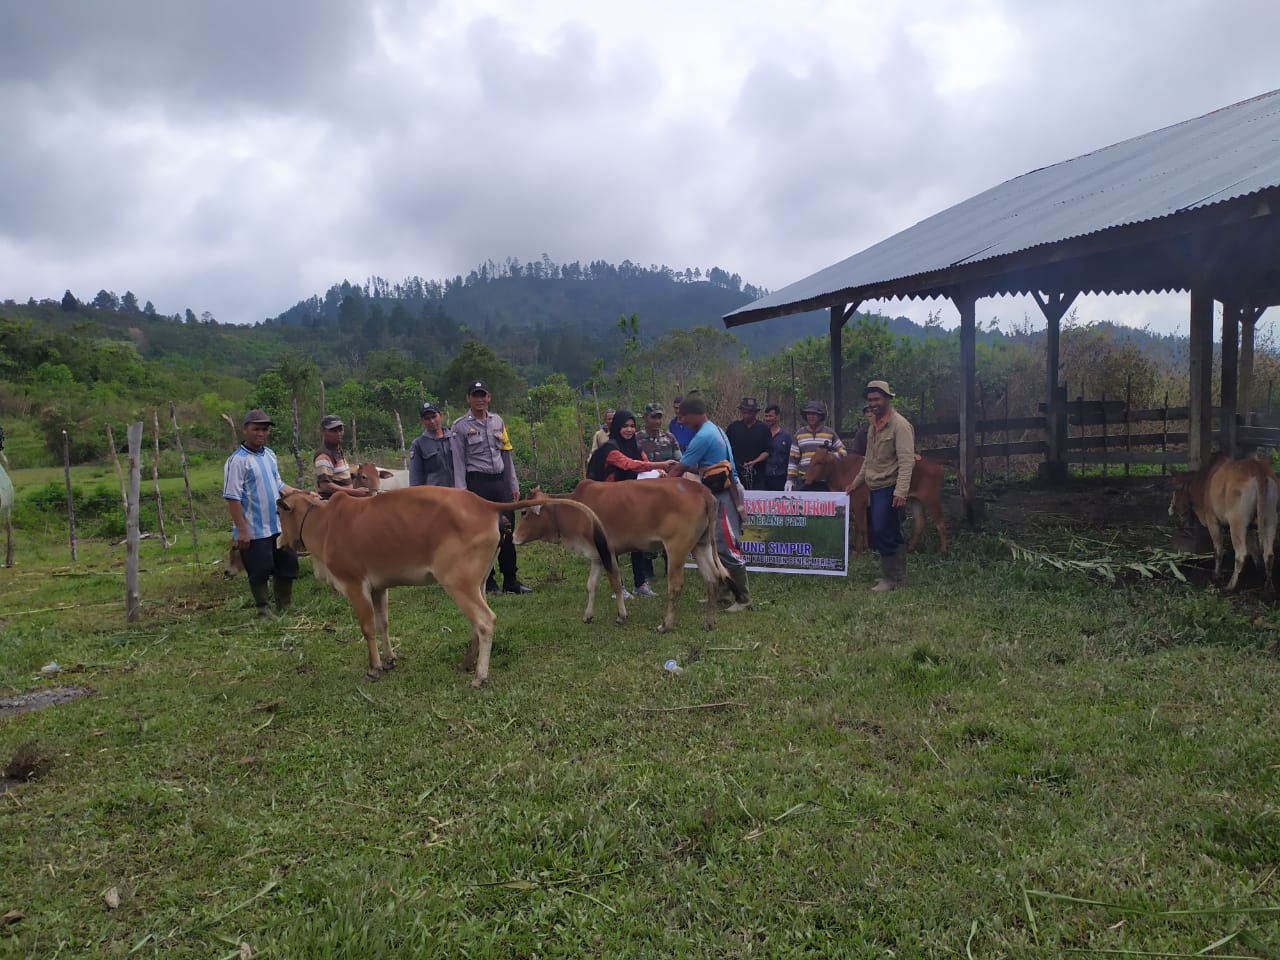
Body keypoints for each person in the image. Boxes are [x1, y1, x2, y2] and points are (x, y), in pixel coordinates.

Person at [665, 396, 750, 611]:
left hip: (722, 495)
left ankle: (743, 598)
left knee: (727, 546)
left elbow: (678, 471)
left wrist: (655, 490)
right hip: (727, 489)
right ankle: (722, 593)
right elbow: (704, 466)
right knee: (716, 546)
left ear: (694, 414)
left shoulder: (702, 436)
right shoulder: (716, 429)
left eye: (683, 417)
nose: (681, 421)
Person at [588, 409, 679, 598]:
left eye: (632, 426)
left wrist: (658, 474)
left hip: (629, 501)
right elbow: (629, 464)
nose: (629, 430)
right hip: (609, 503)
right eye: (625, 426)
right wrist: (659, 465)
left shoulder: (636, 447)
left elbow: (643, 464)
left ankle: (640, 583)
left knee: (637, 541)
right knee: (612, 545)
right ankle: (618, 588)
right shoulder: (609, 448)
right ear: (616, 427)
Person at [224, 409, 305, 618]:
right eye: (256, 429)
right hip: (254, 527)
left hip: (278, 524)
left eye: (264, 429)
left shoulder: (269, 454)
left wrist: (300, 494)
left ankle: (284, 606)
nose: (260, 433)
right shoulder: (238, 461)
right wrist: (241, 529)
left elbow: (278, 483)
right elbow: (232, 497)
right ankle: (263, 609)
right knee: (260, 569)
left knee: (287, 564)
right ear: (245, 429)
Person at [453, 380, 532, 595]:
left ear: (489, 397)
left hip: (500, 482)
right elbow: (458, 462)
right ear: (468, 398)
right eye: (475, 395)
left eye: (483, 395)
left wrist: (513, 483)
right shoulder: (460, 427)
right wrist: (462, 493)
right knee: (483, 533)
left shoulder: (498, 421)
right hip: (476, 482)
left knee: (507, 531)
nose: (480, 399)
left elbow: (506, 454)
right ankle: (488, 581)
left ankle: (511, 580)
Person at [845, 380, 917, 592]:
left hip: (889, 485)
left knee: (882, 530)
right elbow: (868, 460)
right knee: (890, 530)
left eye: (877, 399)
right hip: (874, 485)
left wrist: (901, 491)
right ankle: (897, 576)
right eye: (870, 400)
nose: (873, 403)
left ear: (887, 399)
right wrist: (855, 483)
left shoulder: (900, 425)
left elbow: (907, 461)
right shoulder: (873, 426)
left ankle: (890, 578)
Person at [786, 400, 846, 491]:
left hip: (825, 481)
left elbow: (843, 452)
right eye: (809, 414)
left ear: (820, 416)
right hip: (804, 479)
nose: (811, 417)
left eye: (814, 414)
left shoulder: (829, 433)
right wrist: (790, 480)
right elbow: (793, 459)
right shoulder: (799, 434)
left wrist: (830, 457)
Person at [313, 414, 372, 500]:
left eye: (340, 430)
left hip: (344, 500)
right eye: (333, 430)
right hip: (332, 503)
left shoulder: (337, 450)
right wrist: (354, 492)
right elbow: (325, 486)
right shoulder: (323, 456)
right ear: (323, 432)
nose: (338, 433)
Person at [409, 401, 465, 488]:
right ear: (422, 421)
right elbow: (415, 478)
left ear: (440, 415)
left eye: (434, 417)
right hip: (434, 496)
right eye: (427, 418)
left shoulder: (454, 437)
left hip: (457, 492)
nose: (431, 421)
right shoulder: (418, 444)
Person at [725, 396, 772, 490]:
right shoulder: (733, 428)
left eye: (750, 413)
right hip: (736, 475)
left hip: (758, 476)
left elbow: (767, 451)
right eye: (744, 412)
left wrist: (755, 461)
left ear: (755, 413)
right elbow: (726, 449)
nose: (746, 415)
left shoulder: (763, 429)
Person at [761, 403, 793, 491]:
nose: (768, 419)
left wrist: (789, 478)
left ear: (777, 417)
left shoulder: (786, 436)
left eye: (770, 416)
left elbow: (790, 457)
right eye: (766, 416)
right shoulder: (761, 434)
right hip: (763, 477)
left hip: (780, 477)